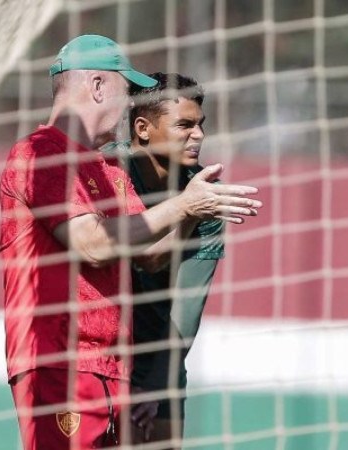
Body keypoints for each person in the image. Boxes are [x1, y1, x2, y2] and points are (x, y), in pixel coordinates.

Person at [0, 35, 262, 450]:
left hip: (115, 371)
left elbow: (153, 258)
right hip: (61, 362)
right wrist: (183, 207)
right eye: (125, 94)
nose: (127, 108)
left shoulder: (110, 172)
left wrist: (192, 210)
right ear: (99, 87)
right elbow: (90, 243)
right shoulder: (39, 153)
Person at [110, 73, 226, 447]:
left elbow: (186, 306)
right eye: (185, 125)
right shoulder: (103, 174)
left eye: (200, 125)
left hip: (160, 357)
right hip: (97, 353)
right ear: (142, 128)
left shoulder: (208, 194)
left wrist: (154, 386)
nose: (199, 136)